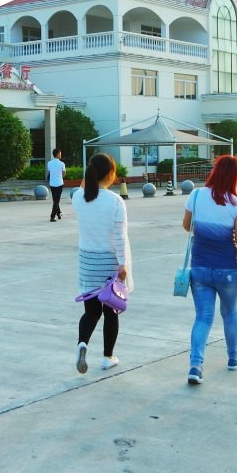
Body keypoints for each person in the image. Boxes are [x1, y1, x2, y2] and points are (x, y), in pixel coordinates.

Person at [182, 155, 237, 385]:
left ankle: (195, 365)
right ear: (235, 176)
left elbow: (187, 226)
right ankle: (233, 358)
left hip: (200, 268)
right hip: (228, 270)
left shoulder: (196, 195)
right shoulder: (236, 203)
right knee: (230, 314)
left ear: (215, 171)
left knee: (203, 317)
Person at [73, 154, 133, 374]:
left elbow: (82, 187)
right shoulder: (115, 201)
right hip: (109, 263)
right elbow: (120, 236)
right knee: (111, 311)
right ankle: (108, 357)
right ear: (110, 174)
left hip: (87, 262)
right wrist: (123, 264)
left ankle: (83, 343)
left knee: (91, 311)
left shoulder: (78, 197)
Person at [47, 148, 66, 222]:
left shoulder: (49, 163)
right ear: (58, 154)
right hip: (59, 183)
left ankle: (59, 213)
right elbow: (64, 174)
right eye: (60, 154)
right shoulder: (61, 164)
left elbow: (50, 171)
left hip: (52, 183)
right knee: (56, 200)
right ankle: (52, 216)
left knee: (55, 199)